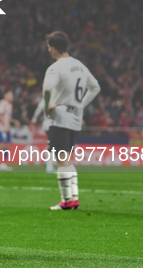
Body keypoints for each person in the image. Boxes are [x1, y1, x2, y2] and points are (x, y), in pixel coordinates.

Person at [42, 31, 100, 210]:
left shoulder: (55, 67)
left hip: (60, 116)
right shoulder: (79, 65)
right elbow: (95, 87)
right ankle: (73, 198)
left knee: (62, 159)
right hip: (76, 116)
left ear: (52, 48)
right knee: (67, 158)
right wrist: (80, 105)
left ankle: (67, 201)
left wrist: (47, 106)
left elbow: (48, 88)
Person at [0, 91, 20, 171]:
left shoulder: (9, 105)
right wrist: (6, 124)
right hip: (1, 127)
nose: (12, 96)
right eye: (10, 95)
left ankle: (3, 163)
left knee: (7, 146)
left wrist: (14, 121)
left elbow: (7, 118)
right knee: (3, 145)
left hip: (6, 127)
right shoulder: (2, 103)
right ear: (5, 95)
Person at [30, 97, 56, 173]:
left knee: (53, 144)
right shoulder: (49, 96)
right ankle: (49, 166)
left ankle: (47, 160)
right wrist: (34, 119)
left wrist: (34, 119)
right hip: (50, 124)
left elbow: (39, 108)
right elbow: (39, 108)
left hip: (50, 124)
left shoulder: (48, 97)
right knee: (53, 144)